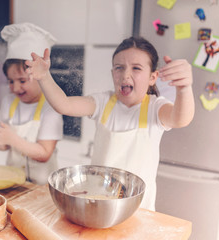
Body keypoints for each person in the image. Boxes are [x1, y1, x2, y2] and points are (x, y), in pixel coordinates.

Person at [25, 36, 195, 210]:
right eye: (119, 68)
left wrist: (184, 88)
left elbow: (180, 118)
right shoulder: (103, 102)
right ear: (112, 73)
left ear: (153, 77)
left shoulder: (155, 108)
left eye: (136, 68)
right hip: (98, 202)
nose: (125, 75)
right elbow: (64, 105)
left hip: (138, 209)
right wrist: (44, 77)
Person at [0, 23, 63, 185]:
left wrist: (12, 139)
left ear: (40, 76)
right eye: (11, 81)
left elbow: (44, 154)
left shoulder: (52, 106)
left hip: (43, 189)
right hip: (13, 184)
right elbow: (5, 145)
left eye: (22, 80)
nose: (15, 88)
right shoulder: (8, 102)